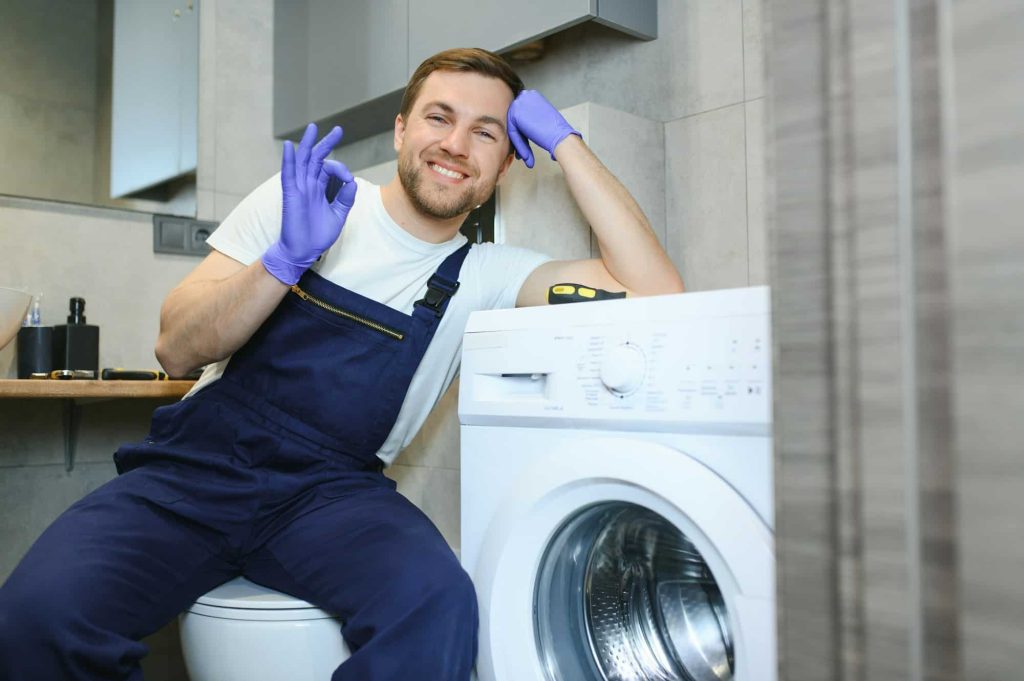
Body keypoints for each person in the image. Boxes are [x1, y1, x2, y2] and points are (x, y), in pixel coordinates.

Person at [0, 48, 683, 680]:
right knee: (36, 617)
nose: (455, 144)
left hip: (328, 498)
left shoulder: (488, 275)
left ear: (505, 165)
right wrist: (284, 261)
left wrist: (567, 143)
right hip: (193, 476)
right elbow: (176, 346)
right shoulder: (305, 196)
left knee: (436, 606)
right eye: (439, 118)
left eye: (487, 132)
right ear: (399, 131)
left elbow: (657, 292)